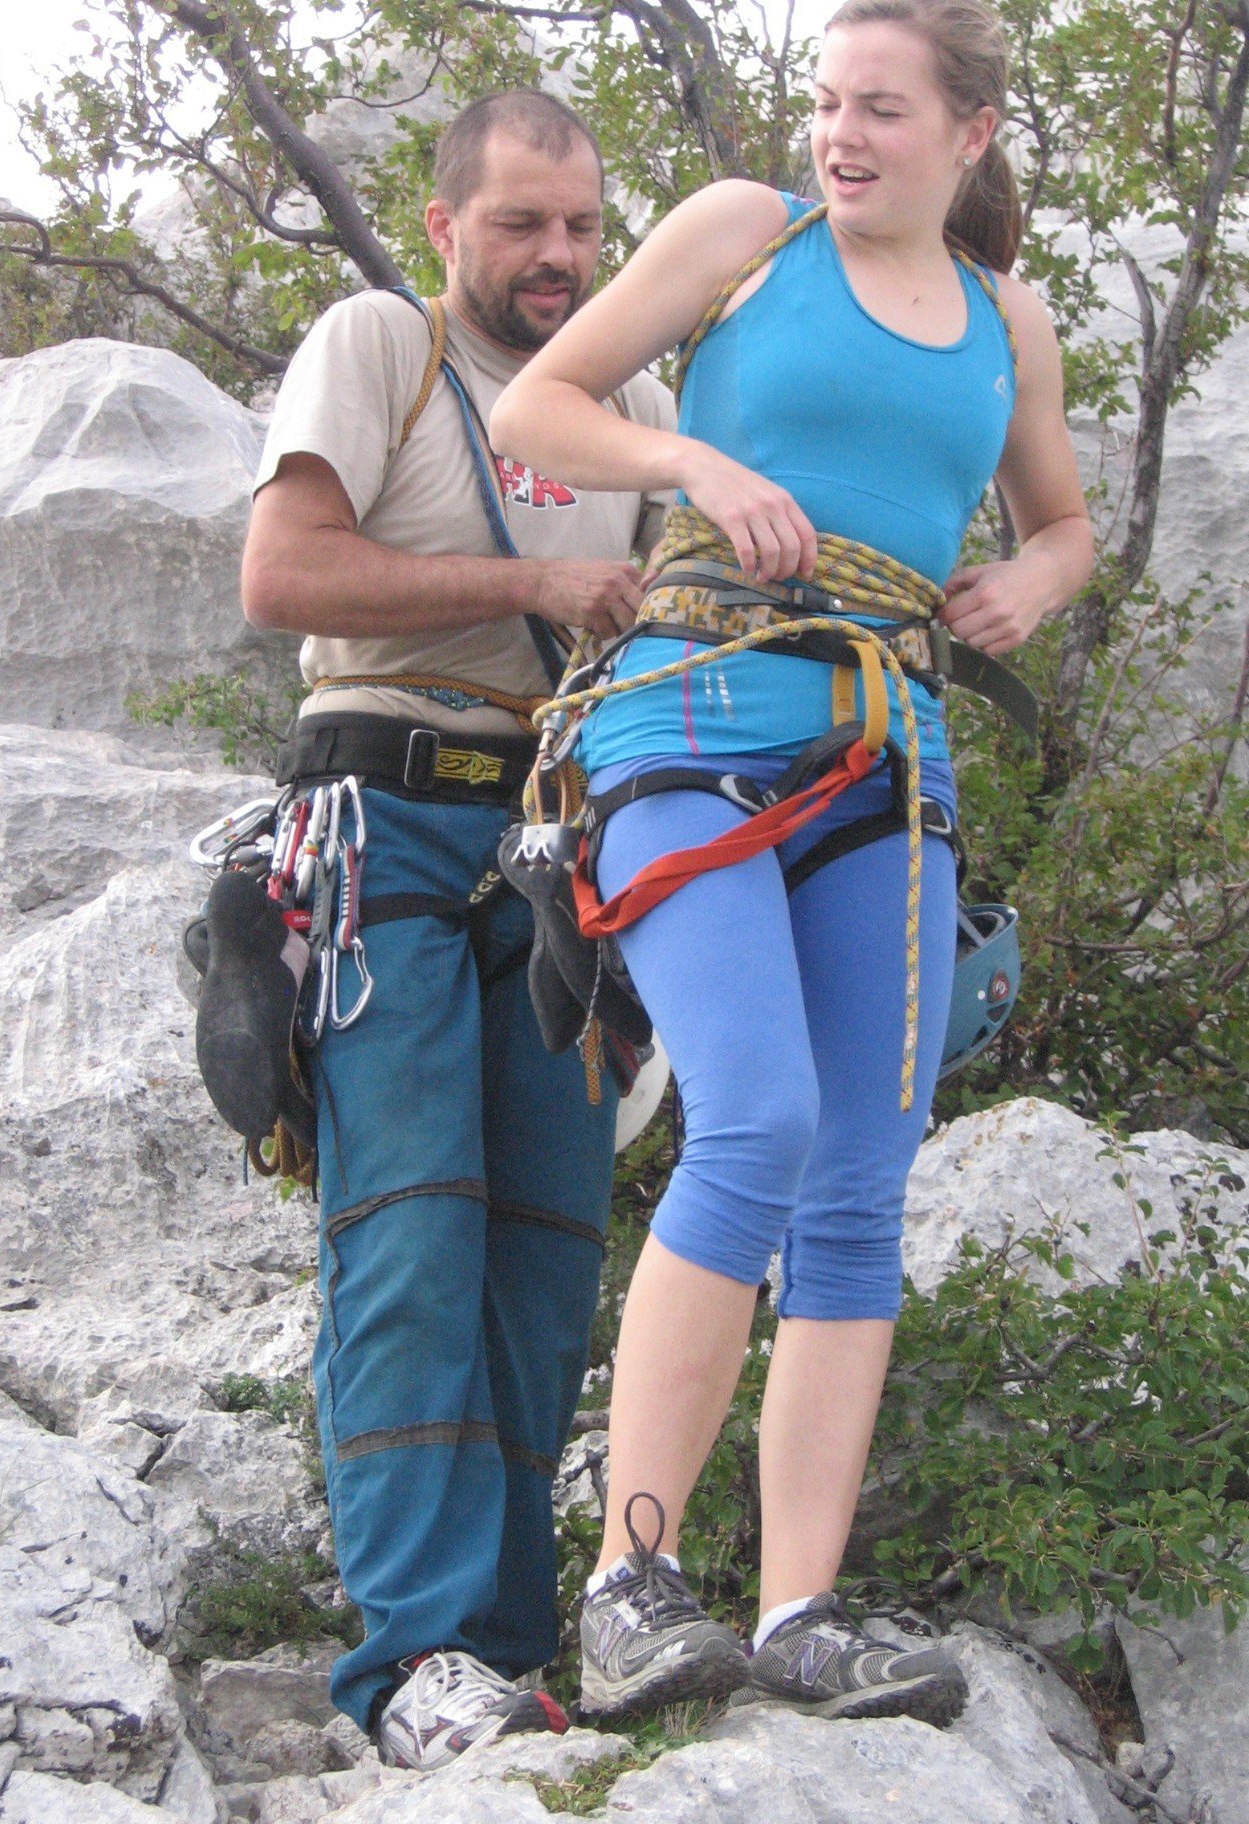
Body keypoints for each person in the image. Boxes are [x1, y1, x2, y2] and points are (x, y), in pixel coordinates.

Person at [491, 0, 1093, 1725]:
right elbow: (539, 404)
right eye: (828, 101)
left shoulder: (1007, 320)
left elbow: (1062, 523)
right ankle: (629, 1586)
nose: (840, 135)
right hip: (687, 710)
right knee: (755, 1117)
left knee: (862, 1172)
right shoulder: (743, 236)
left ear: (970, 132)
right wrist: (691, 453)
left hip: (888, 756)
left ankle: (803, 1611)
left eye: (881, 109)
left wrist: (1031, 580)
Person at [237, 91, 676, 1768]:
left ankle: (506, 1649)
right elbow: (283, 574)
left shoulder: (639, 404)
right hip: (385, 817)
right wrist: (536, 588)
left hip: (561, 851)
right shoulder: (383, 346)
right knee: (414, 1230)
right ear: (443, 228)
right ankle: (410, 1659)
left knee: (547, 1254)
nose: (559, 255)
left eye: (582, 226)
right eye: (520, 224)